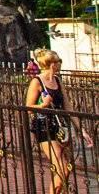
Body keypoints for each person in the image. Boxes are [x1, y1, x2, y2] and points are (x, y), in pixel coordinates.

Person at [26, 49, 93, 194]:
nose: (60, 64)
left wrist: (81, 130)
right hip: (44, 127)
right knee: (61, 167)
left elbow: (68, 106)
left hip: (61, 127)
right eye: (58, 62)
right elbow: (28, 108)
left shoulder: (57, 80)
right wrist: (43, 105)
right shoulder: (36, 82)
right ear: (51, 64)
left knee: (66, 167)